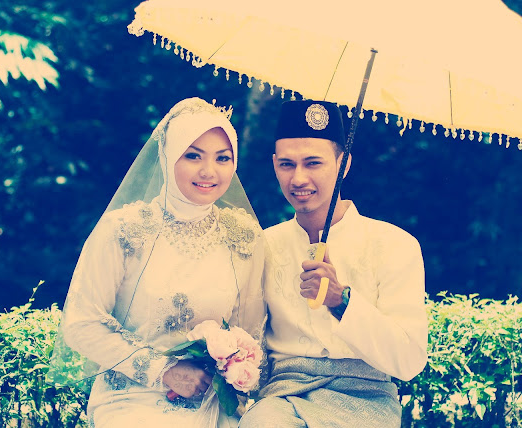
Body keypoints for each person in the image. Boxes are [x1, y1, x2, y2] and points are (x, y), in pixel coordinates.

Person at [47, 97, 266, 428]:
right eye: (193, 155)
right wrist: (163, 371)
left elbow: (251, 331)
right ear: (166, 156)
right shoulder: (124, 230)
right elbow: (81, 323)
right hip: (130, 396)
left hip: (212, 399)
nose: (209, 171)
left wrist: (235, 374)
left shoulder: (244, 237)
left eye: (223, 158)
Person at [239, 100, 427, 428]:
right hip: (283, 398)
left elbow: (409, 361)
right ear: (274, 165)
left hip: (366, 400)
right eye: (287, 164)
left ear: (344, 164)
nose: (298, 178)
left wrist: (341, 302)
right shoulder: (262, 246)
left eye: (313, 163)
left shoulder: (395, 245)